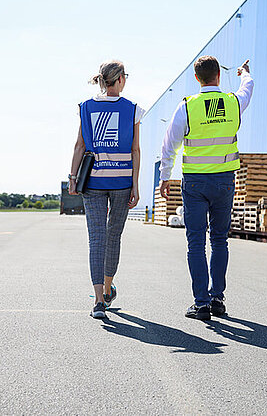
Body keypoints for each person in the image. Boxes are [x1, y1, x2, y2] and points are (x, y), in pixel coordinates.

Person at [160, 56, 253, 320]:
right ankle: (217, 299)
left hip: (196, 183)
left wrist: (165, 177)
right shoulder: (233, 103)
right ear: (218, 77)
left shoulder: (187, 107)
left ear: (197, 78)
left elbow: (169, 145)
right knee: (220, 240)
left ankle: (201, 303)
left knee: (196, 243)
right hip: (224, 181)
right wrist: (244, 73)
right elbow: (248, 87)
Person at [69, 60, 145, 319]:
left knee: (96, 239)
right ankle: (109, 286)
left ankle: (99, 300)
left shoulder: (86, 107)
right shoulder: (133, 110)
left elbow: (80, 145)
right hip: (122, 182)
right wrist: (135, 184)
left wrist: (72, 177)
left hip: (93, 182)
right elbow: (135, 150)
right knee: (114, 237)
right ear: (121, 79)